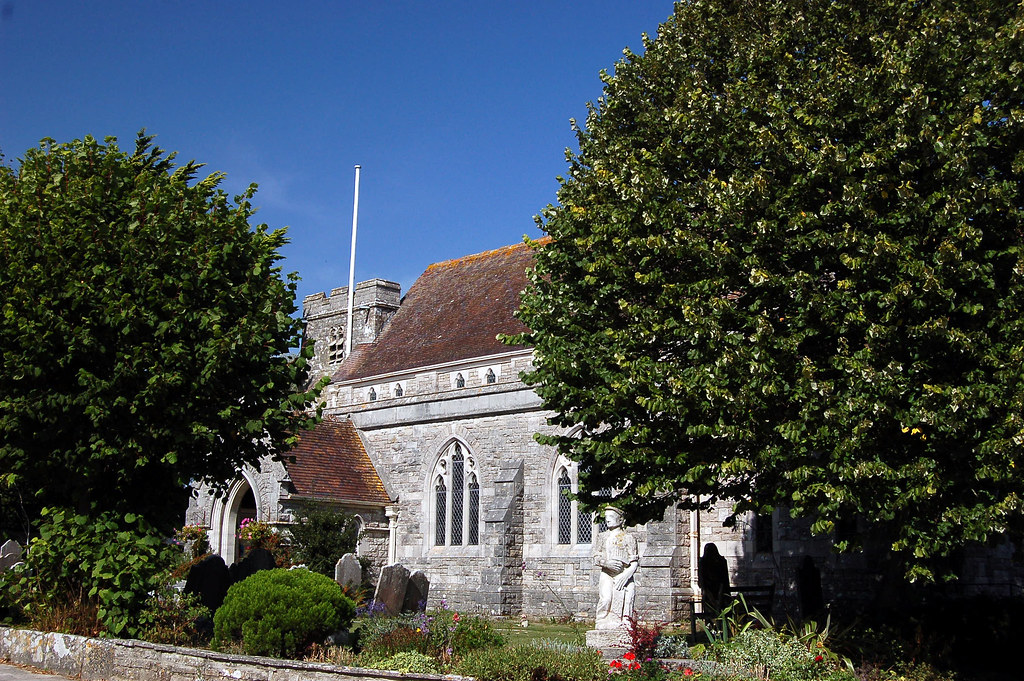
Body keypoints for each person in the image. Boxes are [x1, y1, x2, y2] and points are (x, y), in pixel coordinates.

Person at [592, 505, 639, 630]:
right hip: (607, 573)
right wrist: (606, 563)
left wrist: (625, 576)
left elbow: (634, 562)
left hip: (625, 573)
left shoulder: (628, 538)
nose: (607, 519)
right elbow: (596, 557)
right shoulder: (602, 537)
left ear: (621, 519)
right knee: (606, 598)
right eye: (606, 517)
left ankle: (625, 622)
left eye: (611, 517)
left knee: (628, 598)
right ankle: (601, 621)